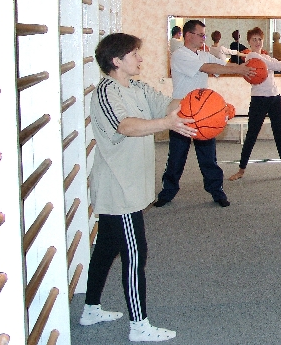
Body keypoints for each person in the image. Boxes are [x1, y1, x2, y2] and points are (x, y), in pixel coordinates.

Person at [82, 32, 195, 341]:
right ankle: (139, 326)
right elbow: (126, 126)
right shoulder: (106, 92)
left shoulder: (137, 87)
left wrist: (200, 102)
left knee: (106, 248)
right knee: (135, 254)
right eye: (134, 54)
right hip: (118, 188)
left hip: (131, 184)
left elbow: (168, 104)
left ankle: (90, 309)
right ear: (117, 60)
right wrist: (167, 124)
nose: (140, 58)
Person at [155, 20, 255, 208]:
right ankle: (167, 193)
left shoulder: (204, 54)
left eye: (204, 35)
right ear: (188, 35)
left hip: (204, 116)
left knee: (209, 159)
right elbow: (208, 68)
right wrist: (239, 69)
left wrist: (247, 63)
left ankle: (217, 192)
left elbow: (222, 65)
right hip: (181, 114)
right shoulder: (179, 55)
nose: (203, 38)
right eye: (201, 35)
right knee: (176, 158)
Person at [228, 27, 281, 182]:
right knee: (251, 135)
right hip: (258, 100)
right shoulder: (252, 57)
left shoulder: (266, 57)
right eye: (254, 39)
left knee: (279, 135)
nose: (257, 42)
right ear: (249, 42)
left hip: (275, 98)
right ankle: (241, 170)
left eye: (259, 39)